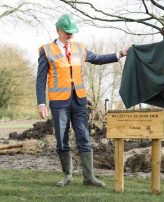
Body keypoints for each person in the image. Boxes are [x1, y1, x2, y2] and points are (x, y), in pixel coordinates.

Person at [36, 14, 127, 187]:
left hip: (79, 100)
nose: (70, 35)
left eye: (72, 32)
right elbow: (40, 79)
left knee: (84, 137)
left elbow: (99, 59)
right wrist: (41, 103)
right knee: (62, 139)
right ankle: (67, 176)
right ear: (58, 30)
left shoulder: (79, 48)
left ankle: (89, 178)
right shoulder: (46, 50)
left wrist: (120, 54)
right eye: (67, 32)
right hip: (58, 102)